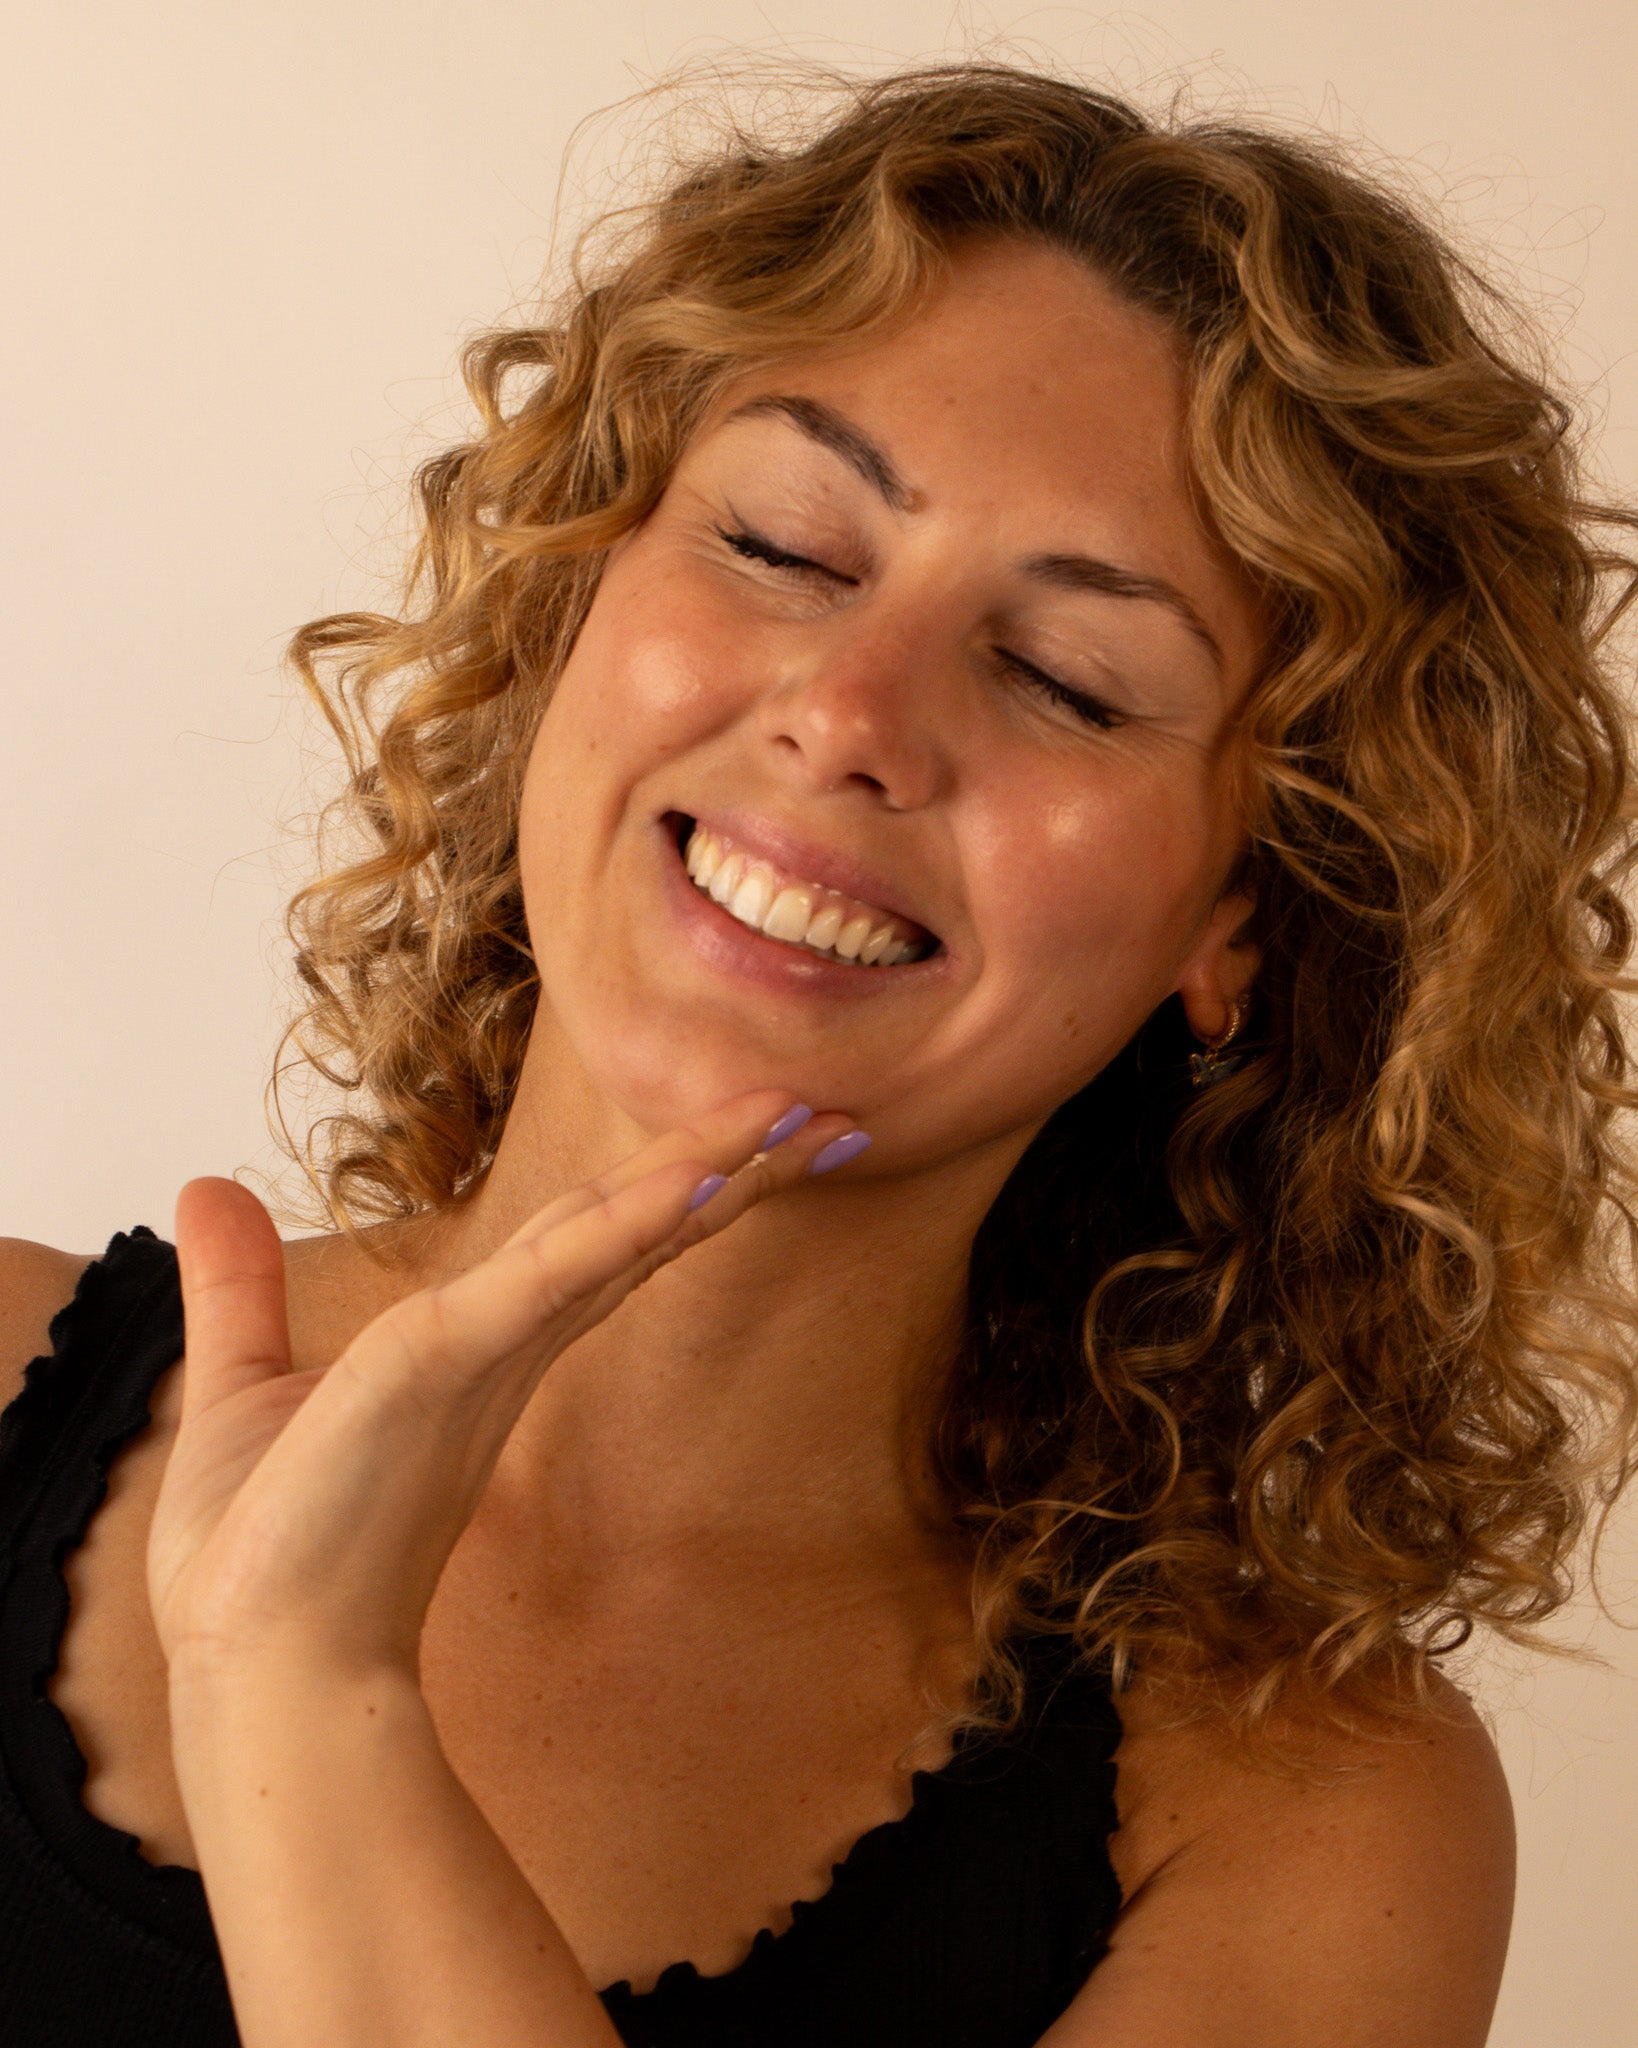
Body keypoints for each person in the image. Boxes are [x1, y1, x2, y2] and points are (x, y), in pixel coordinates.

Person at [1, 60, 1633, 2048]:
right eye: (781, 544)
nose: (849, 710)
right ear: (576, 600)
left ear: (1251, 921)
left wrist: (309, 1687)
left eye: (1064, 676)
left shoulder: (1302, 1812)